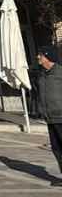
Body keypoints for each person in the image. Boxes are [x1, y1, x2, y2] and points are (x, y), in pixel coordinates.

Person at [37, 44, 62, 181]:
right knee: (56, 148)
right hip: (50, 117)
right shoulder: (42, 75)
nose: (38, 57)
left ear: (48, 57)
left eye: (40, 55)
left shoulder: (60, 72)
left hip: (61, 116)